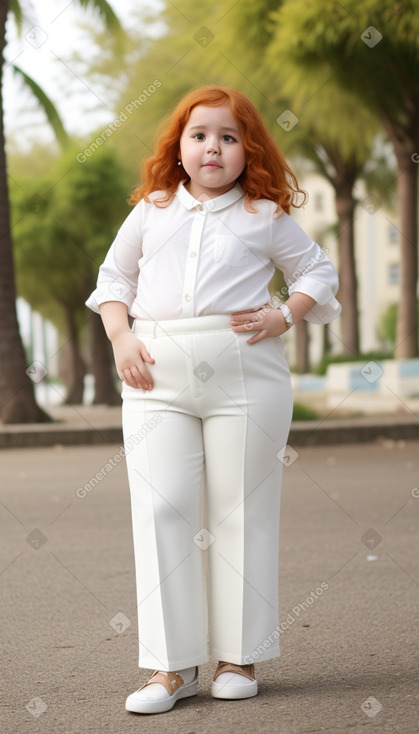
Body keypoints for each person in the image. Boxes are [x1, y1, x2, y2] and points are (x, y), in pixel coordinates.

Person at [86, 85, 341, 715]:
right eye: (200, 135)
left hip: (246, 378)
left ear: (246, 149)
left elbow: (318, 271)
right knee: (162, 507)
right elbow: (114, 280)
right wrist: (120, 337)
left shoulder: (264, 216)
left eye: (228, 137)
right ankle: (169, 668)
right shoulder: (151, 209)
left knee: (241, 512)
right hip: (154, 378)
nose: (212, 148)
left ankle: (239, 657)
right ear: (179, 145)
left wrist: (286, 314)